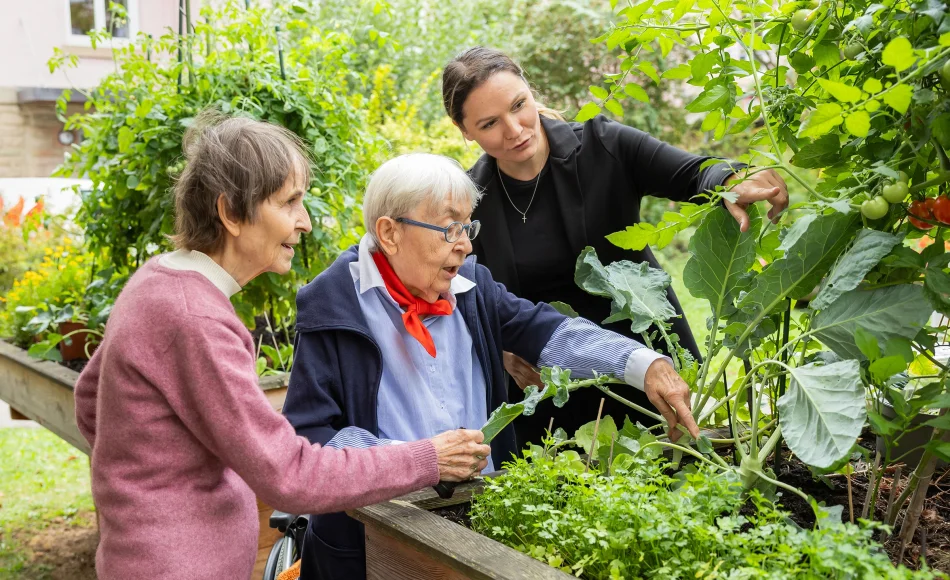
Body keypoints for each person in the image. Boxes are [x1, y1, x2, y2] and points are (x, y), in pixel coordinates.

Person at [72, 114, 491, 579]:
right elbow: (288, 477)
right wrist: (427, 458)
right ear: (231, 212)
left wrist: (151, 481)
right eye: (290, 202)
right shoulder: (197, 318)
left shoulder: (155, 282)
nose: (305, 222)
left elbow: (90, 403)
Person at [282, 153, 701, 580]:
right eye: (449, 229)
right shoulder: (333, 305)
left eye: (467, 227)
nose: (464, 244)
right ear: (389, 233)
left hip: (471, 527)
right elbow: (308, 437)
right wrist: (417, 459)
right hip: (373, 540)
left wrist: (644, 364)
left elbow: (547, 331)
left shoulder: (471, 289)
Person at [441, 46, 789, 447]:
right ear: (465, 131)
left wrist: (733, 181)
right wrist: (501, 348)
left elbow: (695, 173)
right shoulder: (472, 201)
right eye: (489, 124)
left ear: (530, 91)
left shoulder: (602, 146)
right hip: (549, 389)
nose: (515, 129)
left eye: (519, 105)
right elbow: (462, 294)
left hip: (646, 371)